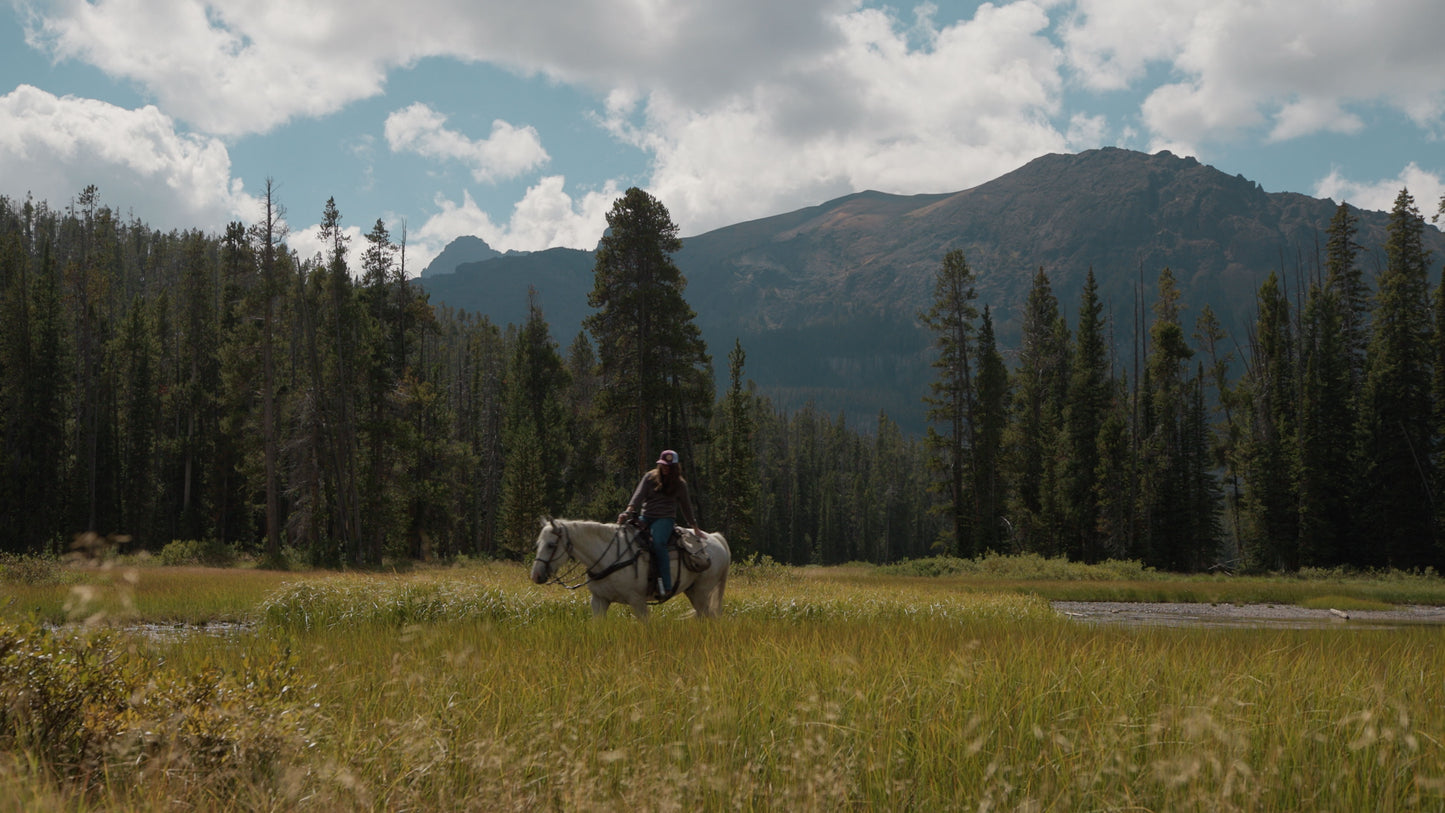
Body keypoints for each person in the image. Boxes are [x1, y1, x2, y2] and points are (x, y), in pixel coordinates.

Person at [618, 449, 701, 599]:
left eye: (669, 466)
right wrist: (628, 511)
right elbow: (638, 496)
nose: (665, 468)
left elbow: (686, 507)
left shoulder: (680, 484)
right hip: (646, 517)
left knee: (658, 544)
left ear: (675, 467)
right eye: (663, 465)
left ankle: (666, 586)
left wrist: (694, 526)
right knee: (626, 537)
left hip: (665, 518)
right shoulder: (650, 477)